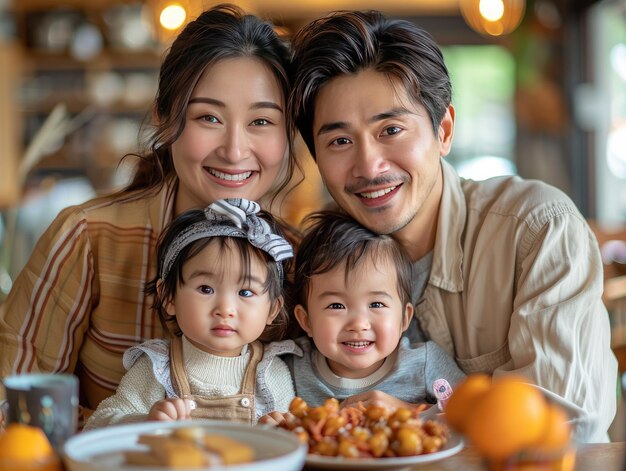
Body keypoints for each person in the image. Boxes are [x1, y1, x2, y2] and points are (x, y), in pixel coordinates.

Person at [288, 10, 616, 442]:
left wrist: (414, 421)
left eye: (391, 129)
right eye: (340, 141)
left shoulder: (536, 229)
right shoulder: (317, 262)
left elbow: (563, 420)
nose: (369, 166)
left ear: (443, 130)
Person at [0, 4, 298, 424]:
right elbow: (12, 402)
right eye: (208, 117)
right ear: (163, 118)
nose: (234, 150)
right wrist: (125, 429)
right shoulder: (86, 237)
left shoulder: (296, 259)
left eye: (262, 121)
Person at [85, 198, 299, 429]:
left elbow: (295, 438)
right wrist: (144, 422)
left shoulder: (270, 372)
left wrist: (283, 430)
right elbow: (97, 423)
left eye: (245, 292)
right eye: (206, 289)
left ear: (273, 309)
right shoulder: (158, 368)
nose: (225, 310)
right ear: (168, 297)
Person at [263, 211, 465, 426]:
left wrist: (409, 411)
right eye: (336, 306)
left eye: (376, 305)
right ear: (306, 320)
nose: (358, 324)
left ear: (404, 318)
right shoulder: (290, 368)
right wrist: (276, 425)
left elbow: (473, 413)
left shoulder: (425, 363)